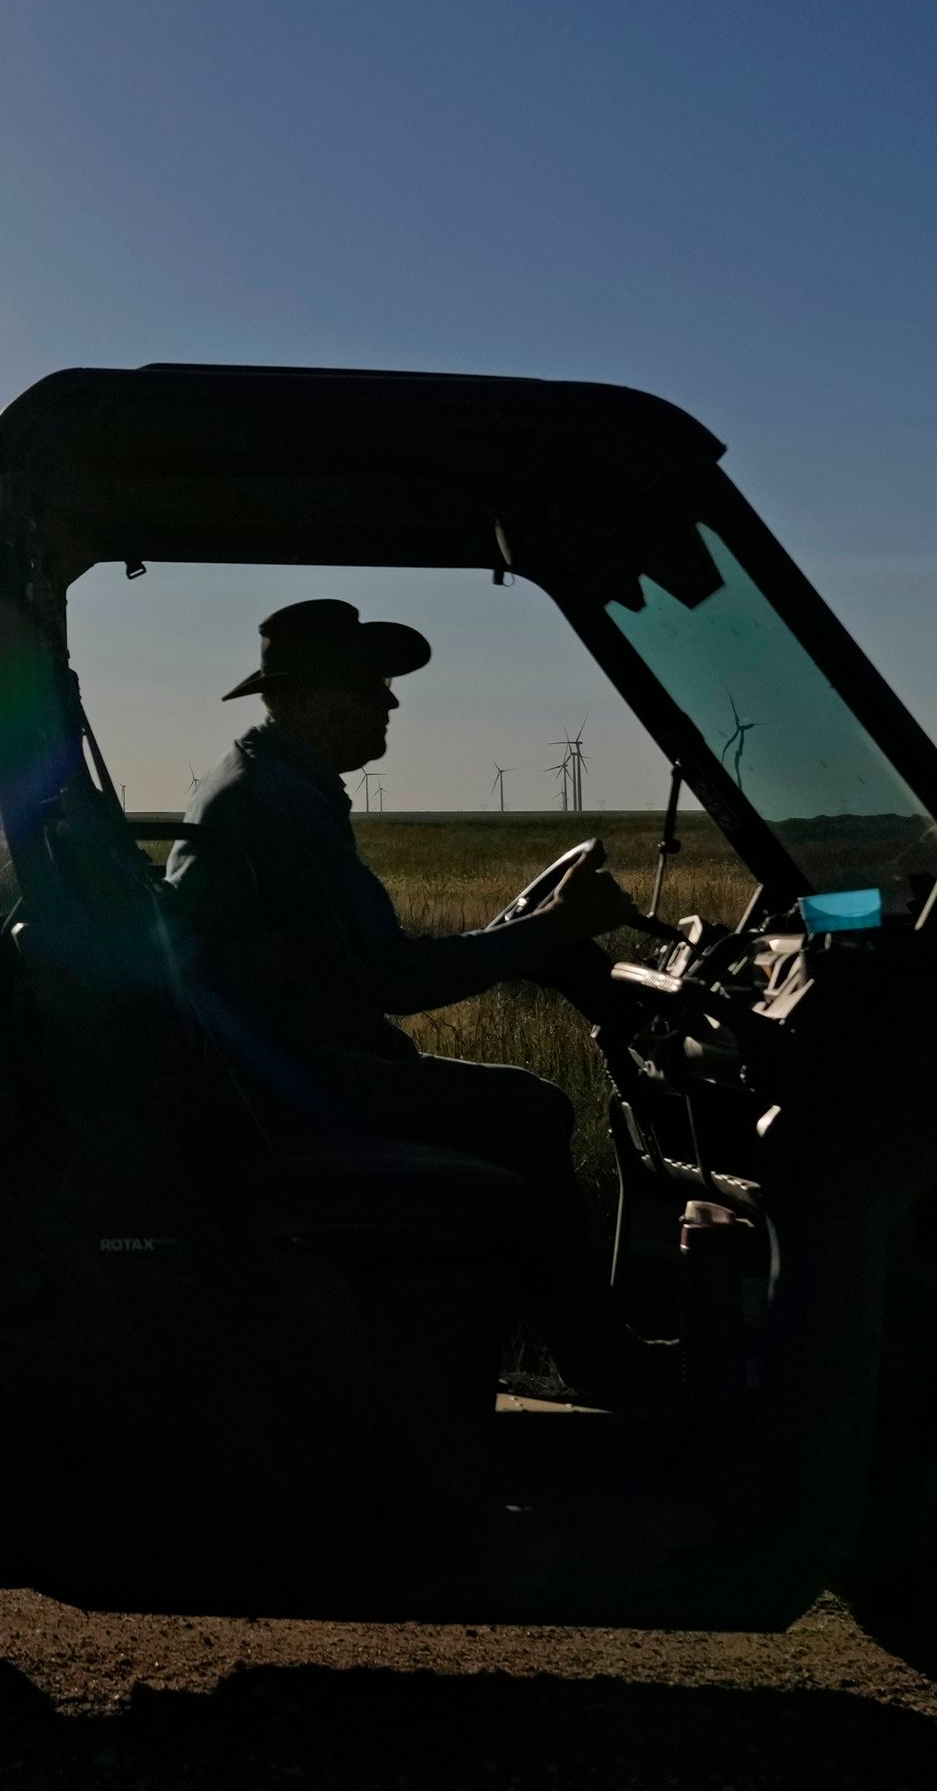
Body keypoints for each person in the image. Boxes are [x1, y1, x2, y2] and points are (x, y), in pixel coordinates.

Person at [160, 597, 656, 1403]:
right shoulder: (280, 806)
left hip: (280, 1070)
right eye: (370, 687)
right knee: (530, 1110)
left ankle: (535, 1349)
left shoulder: (270, 784)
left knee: (512, 1107)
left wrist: (528, 938)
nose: (390, 702)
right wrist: (554, 929)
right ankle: (601, 1361)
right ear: (310, 696)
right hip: (295, 1086)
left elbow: (356, 968)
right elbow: (392, 979)